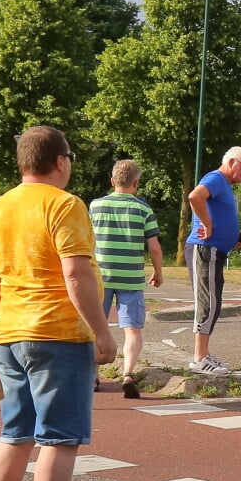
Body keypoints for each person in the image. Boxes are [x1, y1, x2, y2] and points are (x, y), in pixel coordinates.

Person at [0, 125, 117, 481]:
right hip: (58, 333)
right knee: (60, 438)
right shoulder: (65, 204)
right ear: (60, 161)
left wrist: (7, 314)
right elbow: (76, 274)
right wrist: (100, 330)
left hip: (10, 333)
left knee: (15, 434)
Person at [90, 159, 164, 399]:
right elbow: (154, 247)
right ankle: (128, 374)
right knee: (132, 330)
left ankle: (93, 376)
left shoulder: (95, 206)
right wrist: (158, 271)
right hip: (130, 277)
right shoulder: (143, 209)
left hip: (100, 275)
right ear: (136, 183)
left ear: (112, 181)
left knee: (93, 328)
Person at [185, 146, 241, 374]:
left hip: (216, 250)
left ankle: (203, 354)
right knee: (208, 302)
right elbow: (195, 196)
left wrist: (232, 238)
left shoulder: (224, 185)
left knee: (213, 301)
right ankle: (199, 357)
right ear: (232, 162)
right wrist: (207, 224)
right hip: (206, 249)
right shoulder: (216, 178)